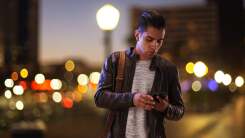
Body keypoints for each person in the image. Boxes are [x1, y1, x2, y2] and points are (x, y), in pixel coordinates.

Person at [94, 10, 184, 138]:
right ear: (137, 35)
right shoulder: (115, 60)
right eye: (149, 39)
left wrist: (165, 108)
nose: (154, 46)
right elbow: (99, 97)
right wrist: (132, 99)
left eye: (159, 41)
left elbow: (179, 111)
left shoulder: (168, 69)